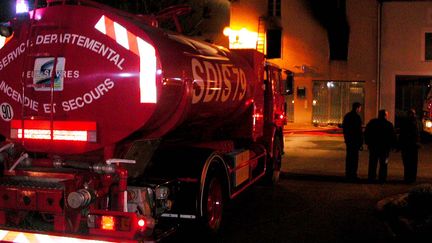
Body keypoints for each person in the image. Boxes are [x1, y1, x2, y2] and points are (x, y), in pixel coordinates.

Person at [364, 109, 397, 183]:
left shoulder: (372, 122)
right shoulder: (389, 124)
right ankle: (382, 178)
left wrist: (368, 143)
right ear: (385, 115)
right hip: (385, 149)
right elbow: (392, 136)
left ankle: (371, 177)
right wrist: (393, 146)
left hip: (374, 147)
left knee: (372, 162)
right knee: (384, 163)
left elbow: (367, 133)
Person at [342, 102, 363, 181]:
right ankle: (353, 174)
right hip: (355, 141)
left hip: (349, 140)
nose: (360, 110)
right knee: (354, 158)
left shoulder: (347, 116)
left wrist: (346, 138)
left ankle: (348, 173)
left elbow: (345, 128)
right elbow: (359, 131)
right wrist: (360, 142)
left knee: (349, 157)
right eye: (360, 108)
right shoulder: (357, 117)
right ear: (357, 108)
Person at [398, 109, 420, 183]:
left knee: (408, 163)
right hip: (412, 146)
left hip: (408, 146)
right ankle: (411, 178)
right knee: (412, 163)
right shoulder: (414, 123)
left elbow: (402, 135)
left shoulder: (406, 122)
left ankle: (408, 178)